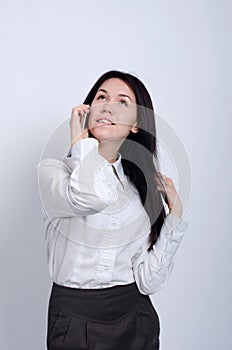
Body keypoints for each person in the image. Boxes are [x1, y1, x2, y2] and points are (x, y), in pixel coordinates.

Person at [36, 70, 189, 350]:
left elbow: (148, 281)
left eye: (122, 102)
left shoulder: (138, 191)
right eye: (101, 97)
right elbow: (90, 198)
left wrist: (174, 216)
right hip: (74, 319)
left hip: (135, 318)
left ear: (136, 125)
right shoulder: (53, 174)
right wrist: (80, 143)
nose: (107, 106)